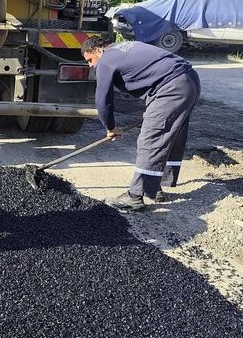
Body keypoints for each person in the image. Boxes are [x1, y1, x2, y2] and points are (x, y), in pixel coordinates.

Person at [81, 36, 201, 211]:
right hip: (189, 81)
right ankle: (154, 187)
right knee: (167, 135)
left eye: (90, 60)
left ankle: (135, 196)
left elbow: (103, 100)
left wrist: (110, 127)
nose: (91, 66)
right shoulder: (125, 46)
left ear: (99, 50)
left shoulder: (106, 60)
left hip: (170, 87)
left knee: (151, 139)